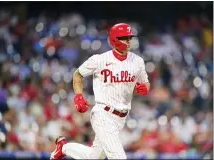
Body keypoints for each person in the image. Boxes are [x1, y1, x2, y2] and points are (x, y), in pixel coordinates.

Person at [50, 23, 150, 159]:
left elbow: (145, 82)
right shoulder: (100, 60)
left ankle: (64, 147)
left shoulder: (137, 61)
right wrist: (78, 95)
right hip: (103, 114)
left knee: (94, 157)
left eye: (129, 38)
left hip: (121, 118)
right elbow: (78, 74)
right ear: (114, 40)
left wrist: (145, 87)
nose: (128, 41)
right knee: (119, 157)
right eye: (124, 38)